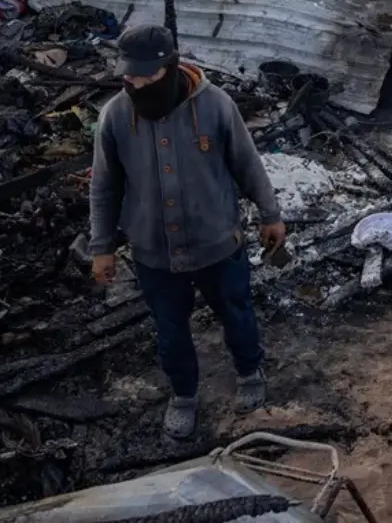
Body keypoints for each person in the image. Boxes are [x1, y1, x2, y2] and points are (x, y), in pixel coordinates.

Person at [89, 25, 286, 438]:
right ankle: (183, 395)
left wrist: (270, 214)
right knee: (170, 328)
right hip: (153, 251)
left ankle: (249, 370)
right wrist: (102, 246)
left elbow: (247, 163)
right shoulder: (116, 116)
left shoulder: (214, 105)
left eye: (148, 76)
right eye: (130, 77)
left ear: (171, 67)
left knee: (236, 312)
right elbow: (105, 187)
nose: (137, 84)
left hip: (217, 241)